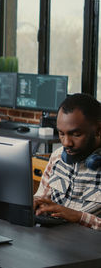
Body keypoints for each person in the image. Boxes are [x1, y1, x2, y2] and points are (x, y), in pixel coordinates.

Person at [34, 93, 101, 230]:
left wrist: (78, 217)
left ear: (98, 130)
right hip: (53, 241)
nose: (66, 143)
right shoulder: (57, 157)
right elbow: (41, 197)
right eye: (61, 134)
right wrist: (35, 203)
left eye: (76, 135)